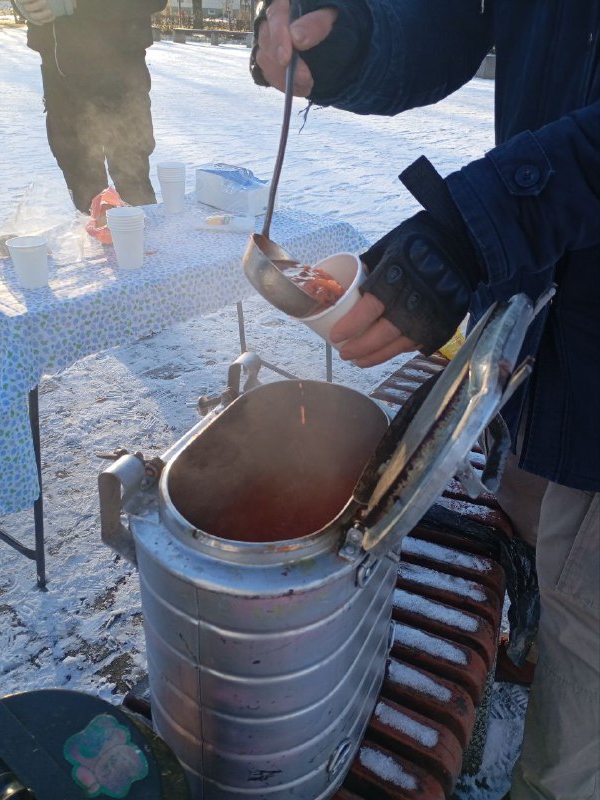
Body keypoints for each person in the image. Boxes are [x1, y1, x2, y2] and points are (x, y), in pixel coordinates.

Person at [251, 2, 600, 799]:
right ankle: (522, 646)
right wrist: (359, 44)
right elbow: (458, 20)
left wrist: (481, 226)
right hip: (537, 324)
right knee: (522, 523)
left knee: (590, 650)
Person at [17, 0, 167, 214]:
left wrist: (75, 3)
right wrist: (24, 5)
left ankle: (145, 242)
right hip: (59, 76)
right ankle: (97, 239)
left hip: (119, 73)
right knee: (83, 185)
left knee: (132, 182)